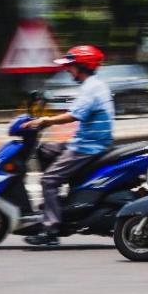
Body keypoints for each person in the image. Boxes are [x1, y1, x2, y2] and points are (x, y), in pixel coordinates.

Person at [21, 45, 114, 246]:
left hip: (87, 147)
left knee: (49, 180)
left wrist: (45, 121)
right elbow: (75, 110)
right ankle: (58, 204)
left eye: (71, 66)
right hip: (85, 142)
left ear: (82, 66)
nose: (67, 69)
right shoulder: (94, 85)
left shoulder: (92, 88)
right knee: (45, 151)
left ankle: (51, 229)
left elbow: (73, 115)